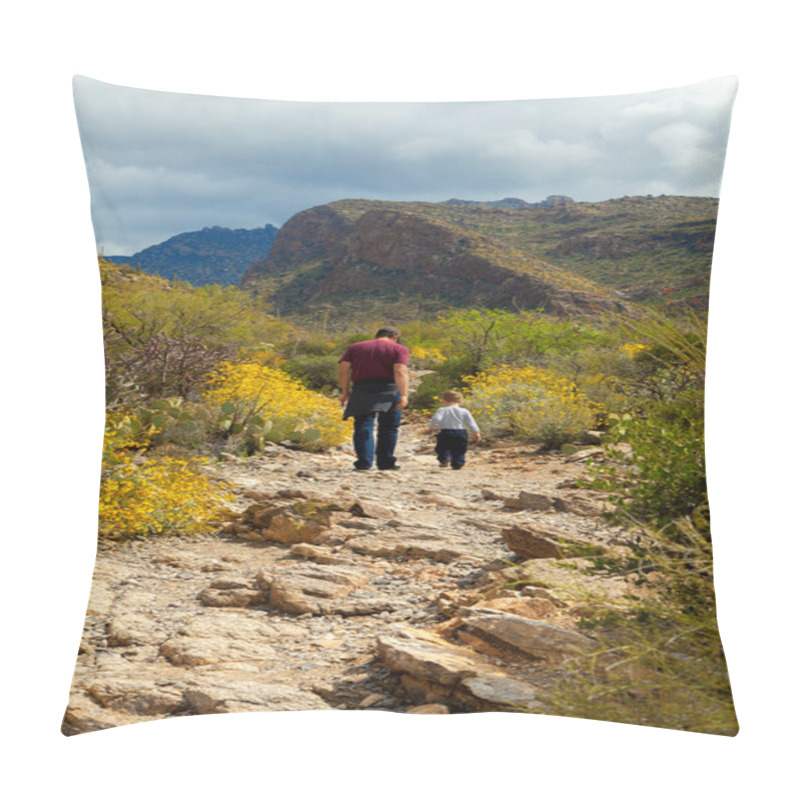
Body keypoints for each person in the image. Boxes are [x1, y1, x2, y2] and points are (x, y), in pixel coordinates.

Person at [339, 326, 409, 471]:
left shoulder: (355, 347)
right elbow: (400, 371)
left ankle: (364, 463)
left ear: (376, 335)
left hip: (362, 388)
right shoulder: (399, 349)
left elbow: (344, 371)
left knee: (363, 426)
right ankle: (386, 463)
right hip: (388, 389)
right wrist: (404, 394)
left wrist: (345, 391)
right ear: (395, 337)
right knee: (389, 428)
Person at [428, 390, 481, 470]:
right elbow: (471, 423)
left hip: (446, 432)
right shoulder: (464, 411)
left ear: (444, 401)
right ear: (460, 401)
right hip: (460, 432)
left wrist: (430, 427)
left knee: (442, 447)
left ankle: (444, 458)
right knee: (459, 449)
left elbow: (436, 419)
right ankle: (457, 464)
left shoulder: (441, 410)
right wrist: (476, 433)